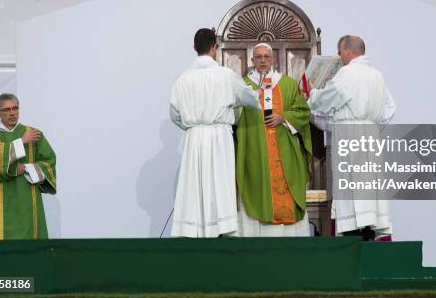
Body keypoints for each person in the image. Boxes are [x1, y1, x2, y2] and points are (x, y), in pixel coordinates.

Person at [169, 28, 260, 237]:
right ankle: (223, 228)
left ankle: (193, 229)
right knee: (219, 180)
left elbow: (175, 114)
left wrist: (191, 126)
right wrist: (235, 113)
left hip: (194, 136)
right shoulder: (226, 75)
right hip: (219, 135)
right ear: (214, 48)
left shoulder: (182, 79)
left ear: (194, 48)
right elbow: (251, 99)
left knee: (195, 183)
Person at [308, 35, 396, 240]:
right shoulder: (377, 75)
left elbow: (325, 100)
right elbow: (387, 111)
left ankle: (353, 231)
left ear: (348, 51)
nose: (339, 56)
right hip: (370, 134)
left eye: (340, 52)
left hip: (349, 134)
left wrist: (313, 92)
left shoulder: (347, 74)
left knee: (350, 183)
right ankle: (370, 228)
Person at [235, 43, 312, 236]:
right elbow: (234, 117)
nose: (263, 61)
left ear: (273, 59)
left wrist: (284, 117)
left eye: (266, 57)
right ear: (252, 60)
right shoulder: (243, 86)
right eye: (258, 57)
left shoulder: (286, 84)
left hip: (284, 148)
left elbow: (302, 111)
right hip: (255, 150)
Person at [0, 93, 57, 240]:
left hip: (27, 193)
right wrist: (21, 142)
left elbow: (49, 161)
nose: (12, 113)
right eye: (6, 109)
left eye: (15, 108)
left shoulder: (33, 133)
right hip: (0, 193)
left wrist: (28, 168)